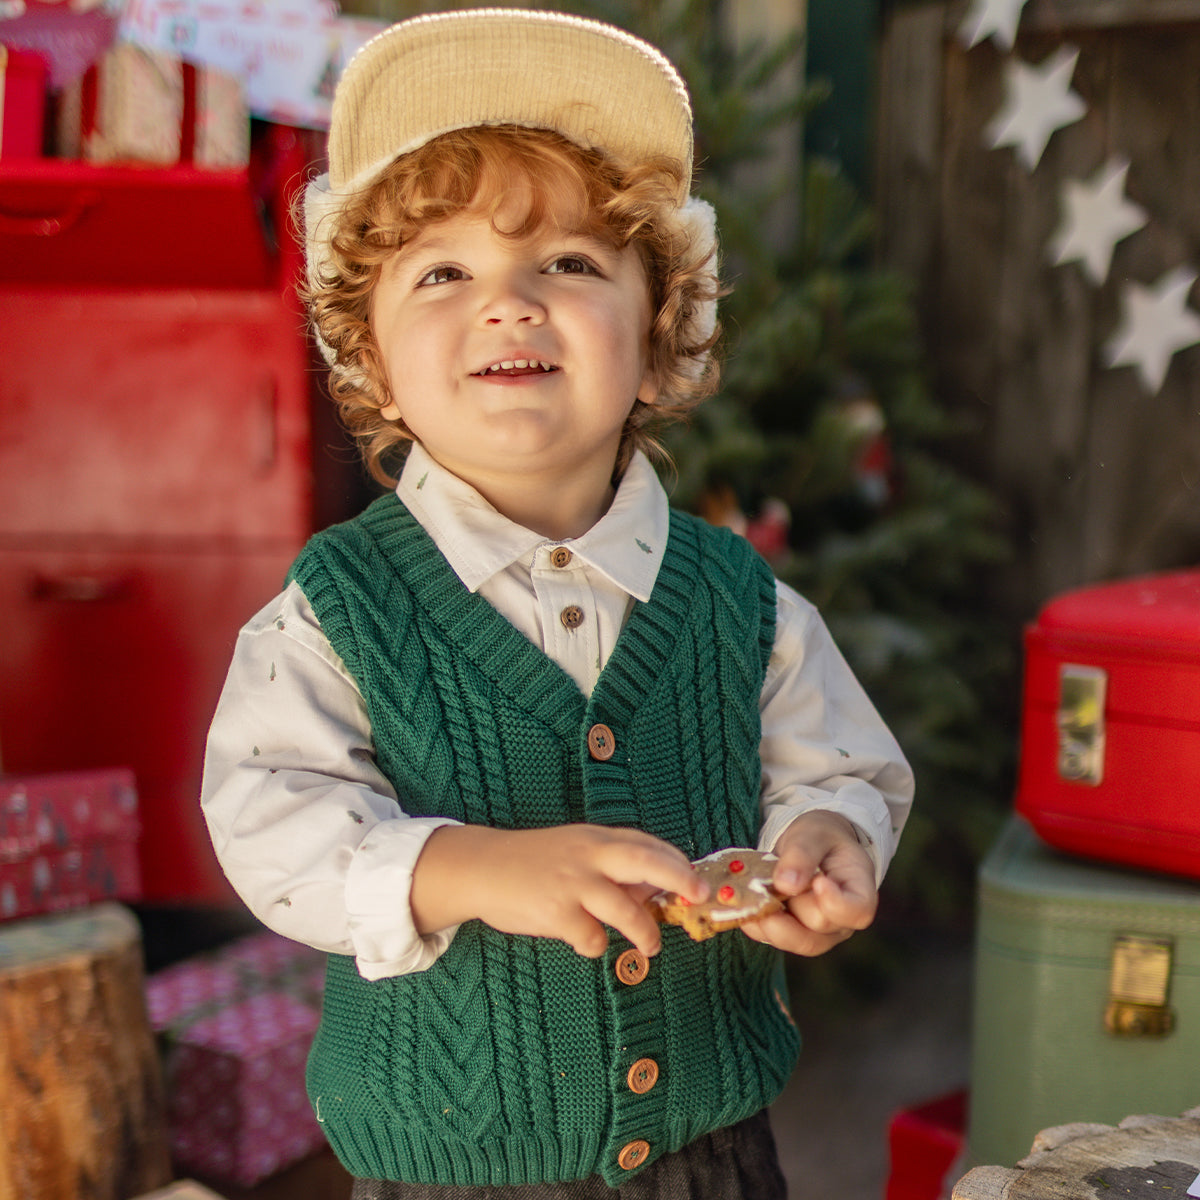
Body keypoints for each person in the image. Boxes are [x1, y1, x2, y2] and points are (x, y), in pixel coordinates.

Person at [201, 9, 914, 1199]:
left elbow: (837, 768)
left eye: (573, 264)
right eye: (444, 272)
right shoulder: (337, 613)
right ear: (370, 356)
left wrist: (824, 840)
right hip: (451, 1170)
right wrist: (466, 868)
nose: (509, 301)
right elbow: (269, 821)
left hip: (713, 1160)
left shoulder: (743, 606)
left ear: (661, 331)